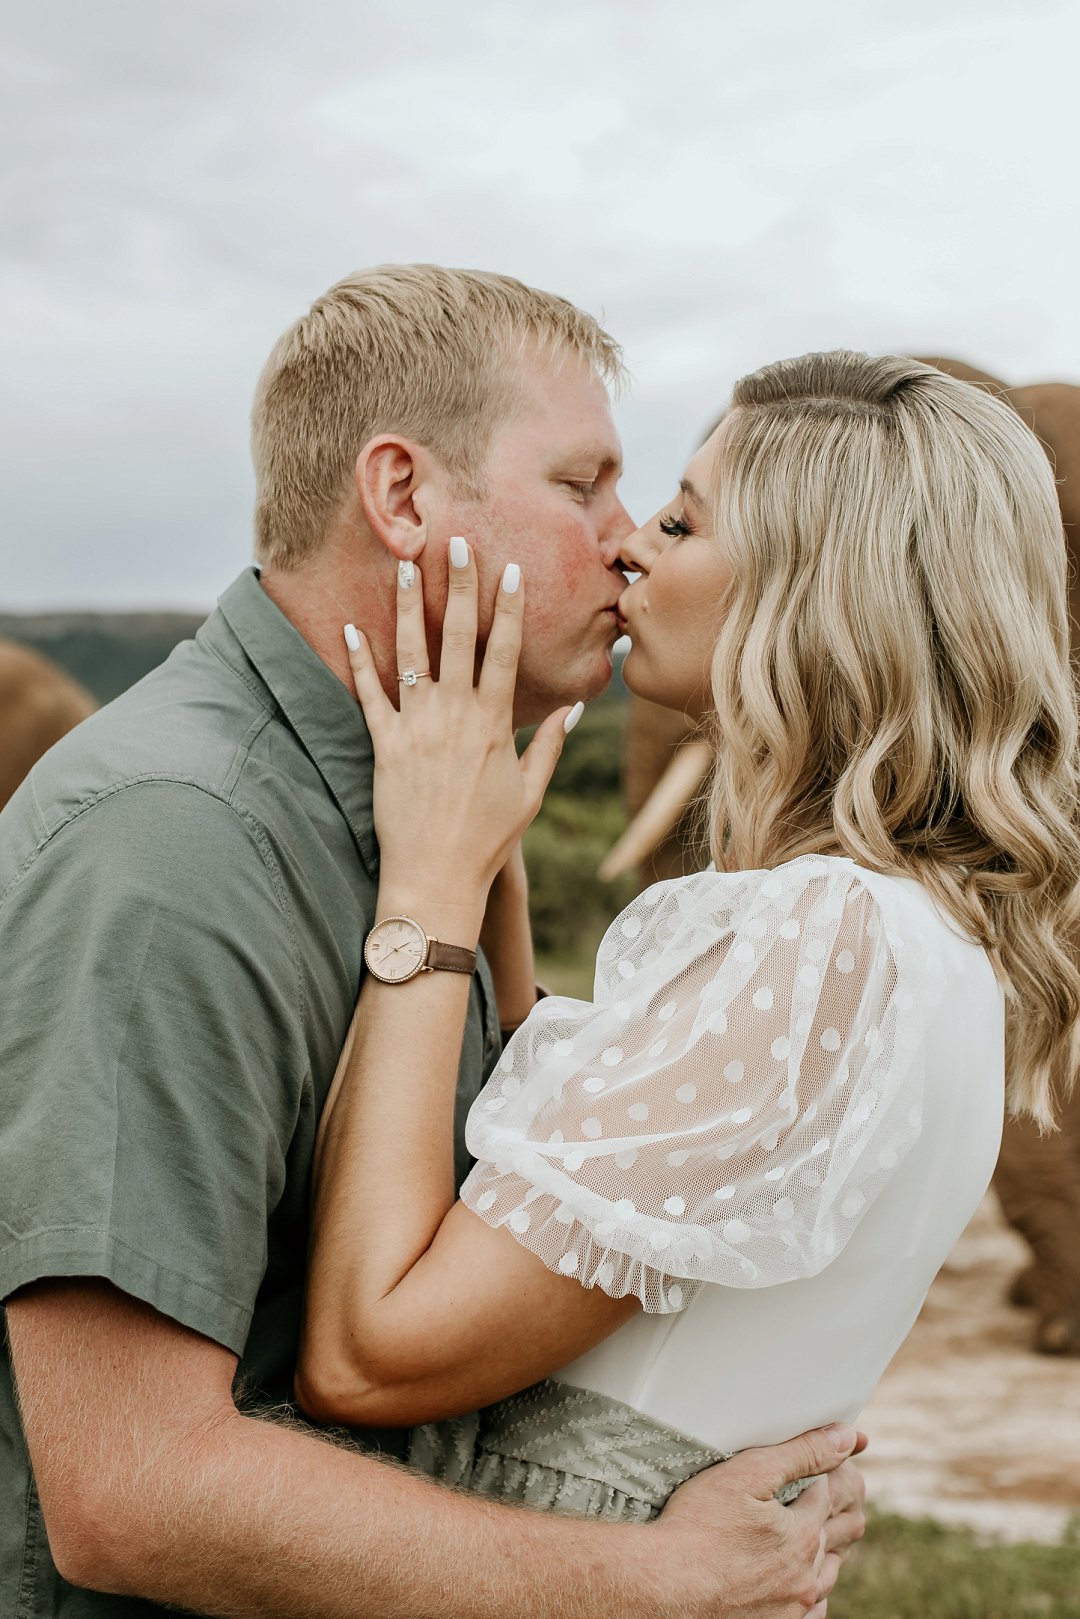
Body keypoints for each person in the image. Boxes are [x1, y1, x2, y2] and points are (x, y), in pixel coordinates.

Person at [0, 268, 865, 1619]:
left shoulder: (416, 819)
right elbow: (131, 1487)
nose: (627, 542)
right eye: (582, 485)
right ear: (402, 497)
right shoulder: (174, 851)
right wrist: (648, 1580)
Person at [297, 351, 1080, 1517]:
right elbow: (579, 1181)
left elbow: (372, 1356)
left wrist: (427, 895)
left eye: (680, 520)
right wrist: (494, 872)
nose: (628, 547)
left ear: (814, 587)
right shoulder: (920, 929)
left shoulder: (824, 934)